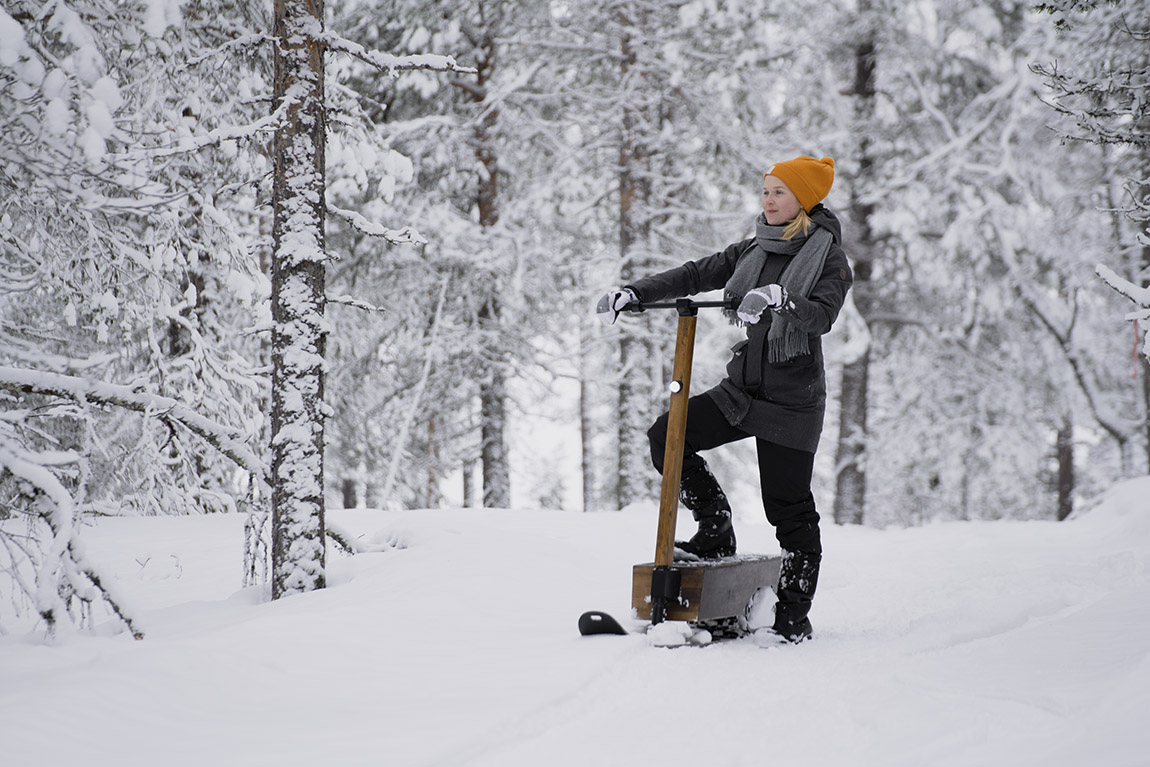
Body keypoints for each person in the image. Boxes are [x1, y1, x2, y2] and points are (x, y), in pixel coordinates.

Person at [597, 156, 852, 643]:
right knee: (667, 437)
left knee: (789, 510)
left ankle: (793, 617)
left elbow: (820, 317)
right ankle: (716, 530)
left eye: (779, 192)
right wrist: (634, 292)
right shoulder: (754, 247)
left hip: (792, 406)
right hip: (742, 392)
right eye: (765, 191)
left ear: (804, 199)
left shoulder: (830, 258)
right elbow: (697, 274)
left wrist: (781, 298)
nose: (768, 200)